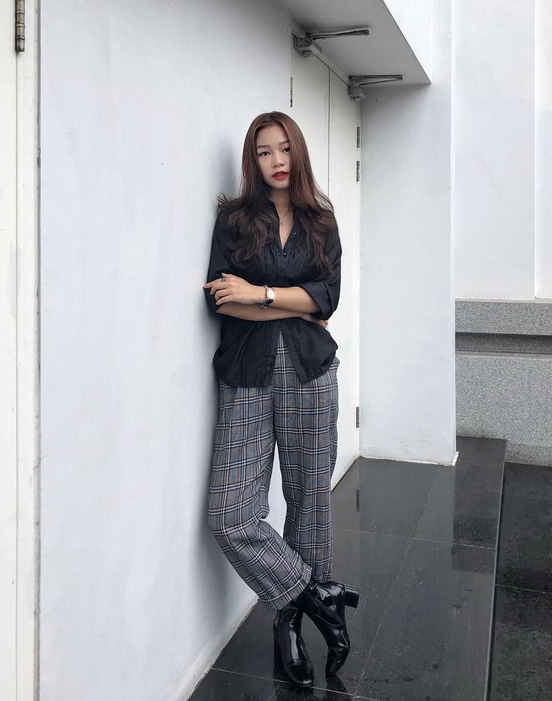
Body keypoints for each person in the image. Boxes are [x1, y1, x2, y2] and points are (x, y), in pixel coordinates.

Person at [203, 111, 359, 688]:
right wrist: (293, 303)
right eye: (264, 150)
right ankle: (315, 595)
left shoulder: (322, 221)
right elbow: (221, 301)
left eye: (285, 148)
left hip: (311, 374)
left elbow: (327, 300)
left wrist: (261, 293)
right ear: (253, 160)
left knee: (309, 505)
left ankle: (288, 628)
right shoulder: (235, 220)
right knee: (230, 514)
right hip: (246, 375)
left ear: (299, 153)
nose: (277, 160)